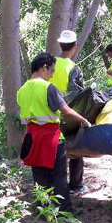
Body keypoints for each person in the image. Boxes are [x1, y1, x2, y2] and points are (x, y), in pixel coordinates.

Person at [17, 52, 91, 213]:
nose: (51, 76)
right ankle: (64, 210)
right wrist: (84, 121)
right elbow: (66, 110)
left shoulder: (22, 90)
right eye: (51, 71)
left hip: (32, 137)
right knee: (59, 176)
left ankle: (44, 209)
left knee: (39, 175)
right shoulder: (48, 88)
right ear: (44, 68)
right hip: (51, 138)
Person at [49, 30, 87, 195]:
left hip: (48, 114)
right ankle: (75, 185)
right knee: (76, 150)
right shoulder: (73, 68)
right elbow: (77, 94)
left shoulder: (49, 64)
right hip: (67, 114)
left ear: (60, 45)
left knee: (52, 151)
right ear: (75, 46)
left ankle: (50, 187)